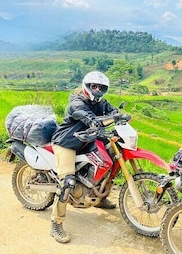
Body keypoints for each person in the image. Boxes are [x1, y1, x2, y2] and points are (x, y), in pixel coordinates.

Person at [50, 71, 119, 243]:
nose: (97, 90)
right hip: (67, 142)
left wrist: (122, 116)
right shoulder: (76, 102)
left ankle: (100, 197)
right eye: (93, 86)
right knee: (67, 181)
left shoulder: (102, 103)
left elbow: (114, 111)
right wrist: (111, 118)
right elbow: (91, 120)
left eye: (100, 87)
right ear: (86, 86)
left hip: (86, 141)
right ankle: (56, 224)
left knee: (110, 159)